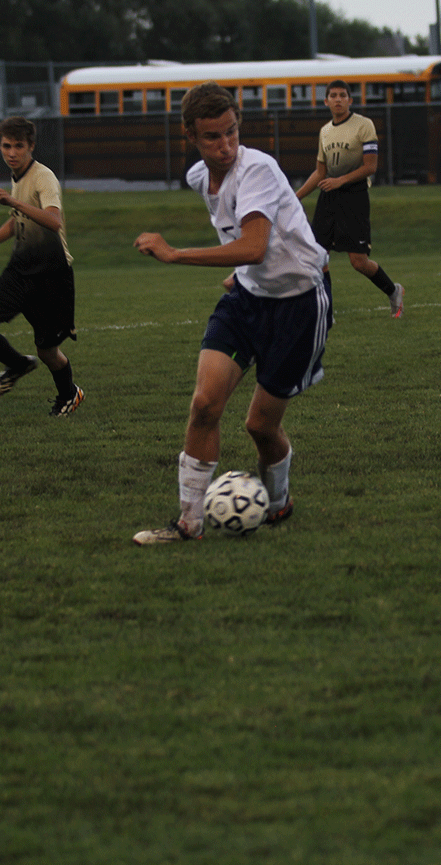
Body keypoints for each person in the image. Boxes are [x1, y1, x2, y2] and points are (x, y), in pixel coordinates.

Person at [132, 81, 331, 544]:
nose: (225, 146)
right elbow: (240, 243)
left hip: (299, 304)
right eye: (212, 138)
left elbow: (256, 246)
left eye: (231, 132)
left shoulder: (257, 168)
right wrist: (237, 271)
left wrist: (176, 254)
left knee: (260, 426)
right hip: (246, 299)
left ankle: (278, 503)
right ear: (190, 136)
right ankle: (188, 523)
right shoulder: (200, 177)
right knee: (204, 405)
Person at [0, 116, 84, 417]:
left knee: (48, 351)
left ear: (31, 146)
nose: (11, 152)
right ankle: (17, 364)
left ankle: (69, 394)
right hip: (20, 269)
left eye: (18, 146)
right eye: (6, 145)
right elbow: (19, 222)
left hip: (51, 275)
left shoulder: (43, 177)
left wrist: (13, 204)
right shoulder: (16, 178)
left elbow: (53, 221)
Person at [296, 79, 404, 318]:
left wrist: (340, 181)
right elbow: (320, 173)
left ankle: (393, 290)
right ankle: (327, 311)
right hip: (328, 198)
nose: (338, 99)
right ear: (326, 101)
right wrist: (296, 197)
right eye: (333, 95)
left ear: (350, 100)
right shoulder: (325, 131)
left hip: (354, 198)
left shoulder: (363, 125)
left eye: (342, 95)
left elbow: (371, 166)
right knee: (318, 255)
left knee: (358, 261)